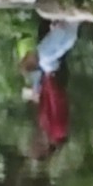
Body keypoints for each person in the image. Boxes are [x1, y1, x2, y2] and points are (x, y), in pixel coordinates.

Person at [19, 19, 80, 159]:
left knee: (35, 61)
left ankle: (57, 25)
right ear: (45, 147)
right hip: (55, 79)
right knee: (43, 57)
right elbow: (57, 101)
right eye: (36, 144)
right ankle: (66, 26)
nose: (33, 139)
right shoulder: (58, 130)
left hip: (48, 80)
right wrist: (49, 78)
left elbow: (43, 102)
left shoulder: (45, 127)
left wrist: (35, 92)